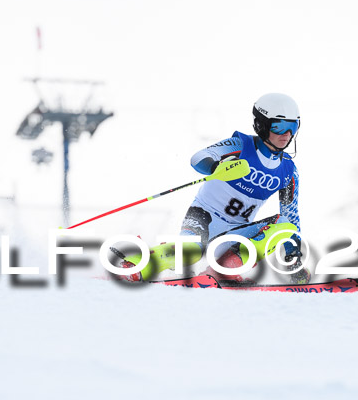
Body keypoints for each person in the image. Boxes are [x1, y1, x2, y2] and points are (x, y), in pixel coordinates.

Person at [118, 93, 309, 284]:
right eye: (279, 126)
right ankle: (137, 265)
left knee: (286, 225)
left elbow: (291, 216)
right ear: (262, 124)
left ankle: (226, 269)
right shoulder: (240, 145)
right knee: (190, 251)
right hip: (204, 218)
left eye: (293, 127)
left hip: (236, 232)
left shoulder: (288, 171)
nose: (286, 135)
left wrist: (294, 263)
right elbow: (199, 158)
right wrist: (215, 168)